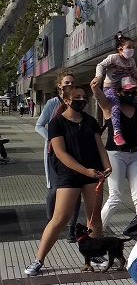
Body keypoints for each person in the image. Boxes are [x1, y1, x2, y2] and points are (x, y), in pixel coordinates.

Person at [24, 85, 112, 276]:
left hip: (93, 173)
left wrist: (107, 166)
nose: (81, 100)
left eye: (83, 96)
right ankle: (39, 259)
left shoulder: (90, 121)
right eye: (76, 97)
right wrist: (85, 171)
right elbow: (61, 153)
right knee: (59, 219)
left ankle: (95, 255)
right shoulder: (57, 123)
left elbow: (100, 147)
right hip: (69, 174)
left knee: (94, 216)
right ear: (66, 100)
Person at [91, 76, 137, 233]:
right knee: (115, 197)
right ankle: (95, 232)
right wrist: (99, 81)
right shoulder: (110, 107)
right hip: (116, 154)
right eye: (127, 91)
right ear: (119, 91)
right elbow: (97, 92)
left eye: (134, 91)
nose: (131, 94)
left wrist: (136, 73)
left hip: (135, 154)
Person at [35, 69, 82, 242]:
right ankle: (50, 222)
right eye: (66, 82)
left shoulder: (79, 102)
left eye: (72, 82)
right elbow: (39, 125)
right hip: (54, 154)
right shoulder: (52, 103)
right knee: (55, 190)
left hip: (74, 153)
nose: (70, 85)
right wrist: (54, 138)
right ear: (59, 85)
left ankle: (71, 228)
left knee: (74, 190)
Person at [93, 33, 137, 145]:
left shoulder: (131, 61)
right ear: (120, 49)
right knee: (115, 105)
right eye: (129, 47)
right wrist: (99, 77)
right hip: (110, 88)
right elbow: (100, 65)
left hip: (123, 86)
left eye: (133, 47)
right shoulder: (113, 58)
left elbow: (136, 72)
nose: (131, 50)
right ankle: (117, 133)